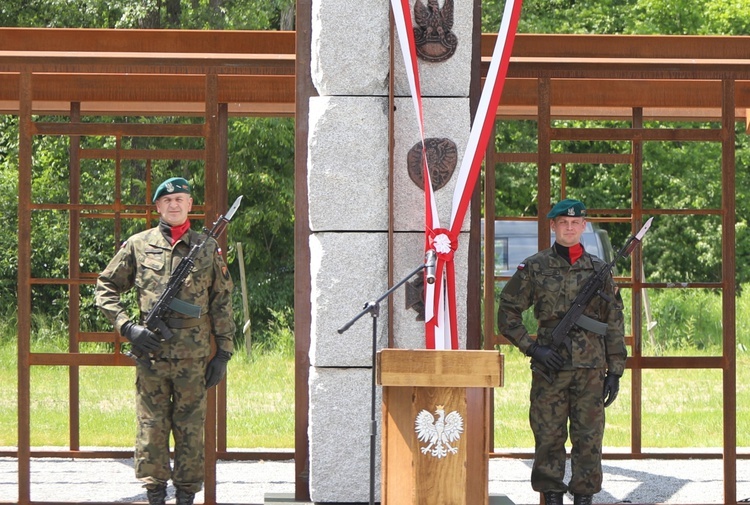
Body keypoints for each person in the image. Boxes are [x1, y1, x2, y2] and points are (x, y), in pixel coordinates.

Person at [95, 177, 236, 505]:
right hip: (152, 356)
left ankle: (186, 495)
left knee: (191, 430)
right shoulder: (138, 244)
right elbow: (105, 288)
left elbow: (221, 301)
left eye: (180, 199)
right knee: (151, 429)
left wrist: (224, 353)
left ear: (190, 205)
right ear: (157, 206)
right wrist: (128, 328)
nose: (174, 204)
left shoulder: (207, 248)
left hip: (194, 359)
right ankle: (155, 494)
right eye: (167, 200)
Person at [497, 199, 627, 505]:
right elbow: (507, 313)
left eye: (575, 223)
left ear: (583, 227)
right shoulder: (535, 267)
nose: (569, 228)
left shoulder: (599, 270)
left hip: (591, 370)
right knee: (548, 436)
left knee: (589, 439)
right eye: (563, 223)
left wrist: (616, 370)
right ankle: (552, 495)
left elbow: (614, 321)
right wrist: (533, 349)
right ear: (553, 226)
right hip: (550, 368)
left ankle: (584, 497)